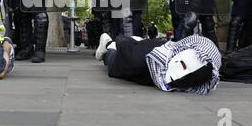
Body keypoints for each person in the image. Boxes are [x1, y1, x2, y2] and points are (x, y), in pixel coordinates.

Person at [93, 22, 221, 95]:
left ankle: (132, 42)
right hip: (128, 56)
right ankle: (108, 44)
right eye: (183, 66)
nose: (177, 77)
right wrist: (114, 44)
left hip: (153, 50)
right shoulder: (137, 59)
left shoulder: (206, 73)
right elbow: (124, 45)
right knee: (117, 62)